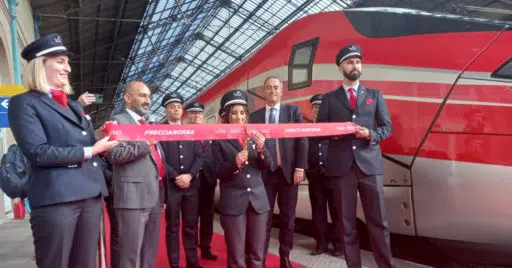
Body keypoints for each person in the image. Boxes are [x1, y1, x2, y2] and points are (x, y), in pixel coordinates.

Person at [8, 33, 119, 268]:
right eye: (60, 61)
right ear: (40, 65)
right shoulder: (24, 103)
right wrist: (91, 149)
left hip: (90, 194)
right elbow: (38, 152)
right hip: (57, 199)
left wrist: (105, 139)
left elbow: (82, 141)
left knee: (85, 263)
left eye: (67, 62)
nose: (68, 68)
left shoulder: (71, 105)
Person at [316, 44, 394, 268]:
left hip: (369, 165)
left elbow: (387, 128)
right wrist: (336, 133)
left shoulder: (374, 95)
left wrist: (370, 133)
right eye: (350, 62)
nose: (355, 65)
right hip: (341, 169)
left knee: (379, 223)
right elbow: (321, 130)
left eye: (358, 61)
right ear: (341, 67)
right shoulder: (329, 99)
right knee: (346, 225)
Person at [249, 77, 308, 268]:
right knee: (263, 219)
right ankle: (261, 258)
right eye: (268, 87)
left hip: (288, 174)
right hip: (265, 175)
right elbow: (250, 145)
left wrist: (300, 167)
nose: (272, 90)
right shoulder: (255, 117)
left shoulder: (293, 112)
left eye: (276, 87)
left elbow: (302, 140)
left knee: (288, 218)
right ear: (264, 91)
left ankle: (285, 256)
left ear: (281, 91)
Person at [107, 81, 166, 268]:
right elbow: (114, 155)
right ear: (128, 97)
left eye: (149, 96)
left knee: (149, 252)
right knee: (130, 254)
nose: (147, 100)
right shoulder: (118, 121)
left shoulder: (147, 123)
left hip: (153, 195)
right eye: (142, 95)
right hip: (131, 198)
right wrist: (145, 143)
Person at [212, 89, 271, 268]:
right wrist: (235, 163)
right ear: (228, 116)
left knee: (258, 254)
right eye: (234, 113)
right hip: (233, 203)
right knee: (236, 257)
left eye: (242, 113)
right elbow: (216, 171)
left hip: (258, 202)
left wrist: (261, 150)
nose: (239, 117)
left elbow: (268, 165)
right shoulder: (219, 139)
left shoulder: (254, 137)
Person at [159, 93, 203, 268]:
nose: (176, 109)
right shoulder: (160, 131)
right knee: (173, 228)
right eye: (172, 106)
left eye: (178, 106)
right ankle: (174, 264)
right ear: (166, 110)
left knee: (191, 226)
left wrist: (190, 175)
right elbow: (160, 158)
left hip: (191, 187)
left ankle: (192, 262)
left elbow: (199, 156)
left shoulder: (190, 130)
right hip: (172, 187)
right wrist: (175, 176)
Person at [306, 94, 343, 256]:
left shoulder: (333, 129)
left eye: (320, 109)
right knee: (318, 212)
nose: (317, 111)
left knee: (337, 212)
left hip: (332, 177)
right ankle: (321, 244)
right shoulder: (307, 131)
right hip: (315, 178)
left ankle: (339, 245)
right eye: (314, 109)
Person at [185, 101, 218, 261]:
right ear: (188, 116)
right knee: (191, 219)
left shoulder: (210, 133)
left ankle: (206, 247)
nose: (196, 115)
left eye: (198, 113)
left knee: (207, 217)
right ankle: (192, 253)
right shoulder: (184, 133)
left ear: (202, 115)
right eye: (192, 113)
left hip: (209, 182)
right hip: (191, 182)